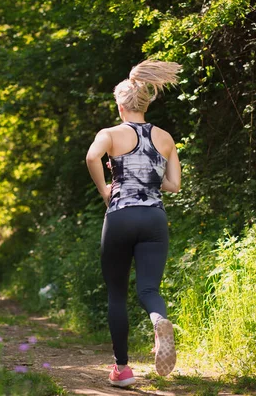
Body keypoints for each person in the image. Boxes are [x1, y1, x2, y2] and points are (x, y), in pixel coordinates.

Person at [85, 60, 182, 387]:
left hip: (121, 215)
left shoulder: (110, 134)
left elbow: (91, 157)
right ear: (144, 103)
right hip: (154, 218)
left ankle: (122, 369)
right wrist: (149, 182)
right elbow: (173, 184)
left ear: (121, 105)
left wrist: (104, 189)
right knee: (148, 289)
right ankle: (159, 321)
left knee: (117, 293)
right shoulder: (166, 138)